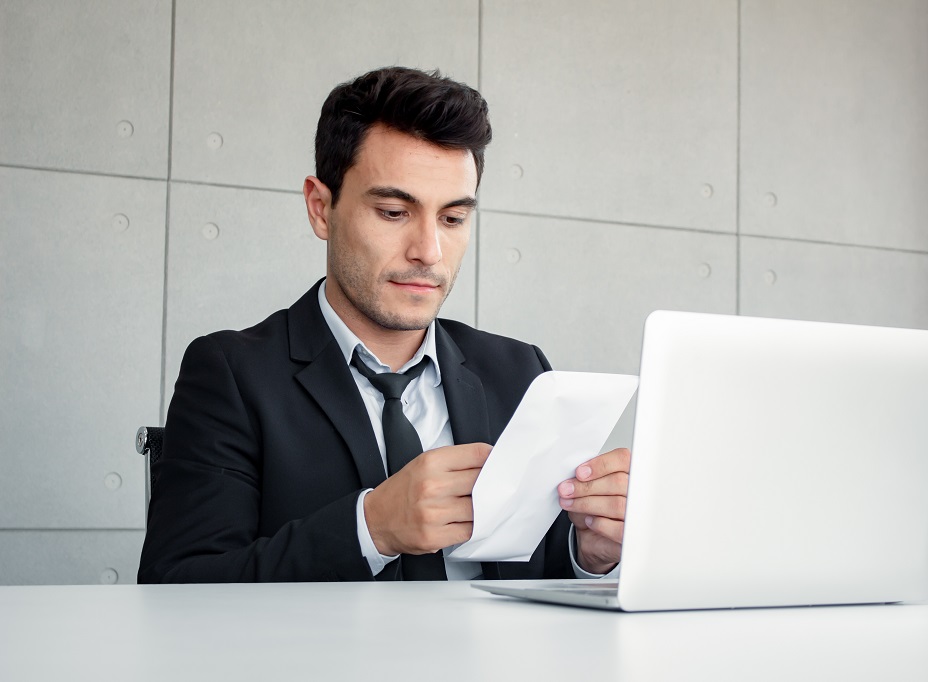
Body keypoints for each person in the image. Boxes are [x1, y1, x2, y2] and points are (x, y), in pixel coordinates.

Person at [138, 66, 630, 583]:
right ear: (321, 208)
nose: (428, 252)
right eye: (395, 212)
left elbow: (542, 574)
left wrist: (591, 554)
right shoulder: (232, 374)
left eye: (453, 219)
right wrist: (370, 529)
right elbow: (177, 587)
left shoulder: (520, 370)